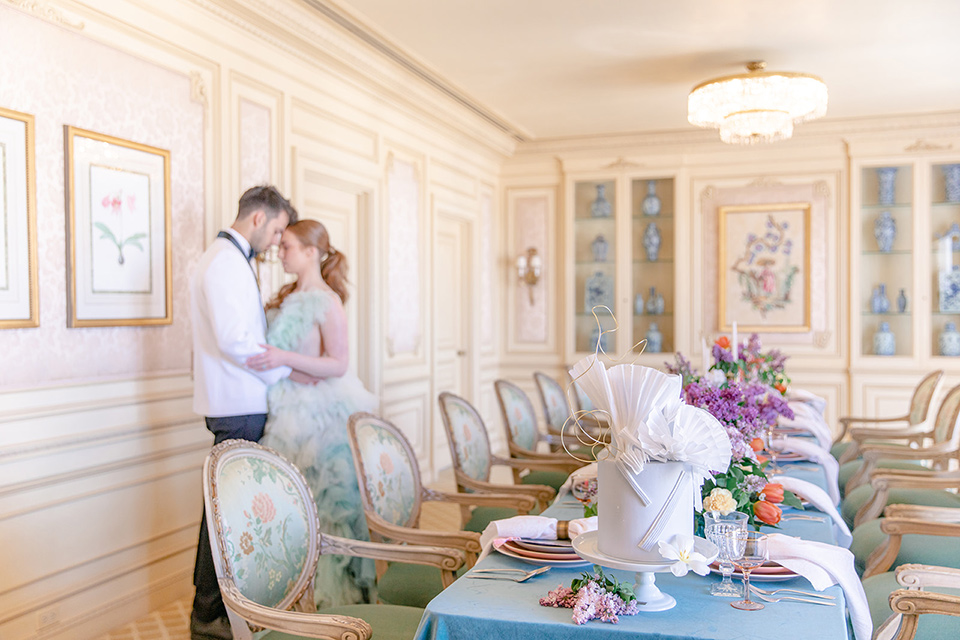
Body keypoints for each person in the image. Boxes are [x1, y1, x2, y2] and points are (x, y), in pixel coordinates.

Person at [246, 219, 378, 607]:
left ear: (311, 252)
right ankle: (288, 593)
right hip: (285, 409)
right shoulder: (285, 296)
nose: (280, 252)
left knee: (325, 506)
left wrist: (283, 358)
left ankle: (332, 603)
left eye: (286, 246)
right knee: (288, 507)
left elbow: (338, 364)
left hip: (317, 415)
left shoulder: (327, 301)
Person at [189, 185, 297, 640]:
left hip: (237, 402)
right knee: (224, 516)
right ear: (258, 219)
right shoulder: (224, 262)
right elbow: (236, 340)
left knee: (218, 512)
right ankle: (208, 613)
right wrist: (284, 373)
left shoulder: (224, 260)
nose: (276, 242)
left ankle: (209, 608)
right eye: (276, 231)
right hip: (239, 404)